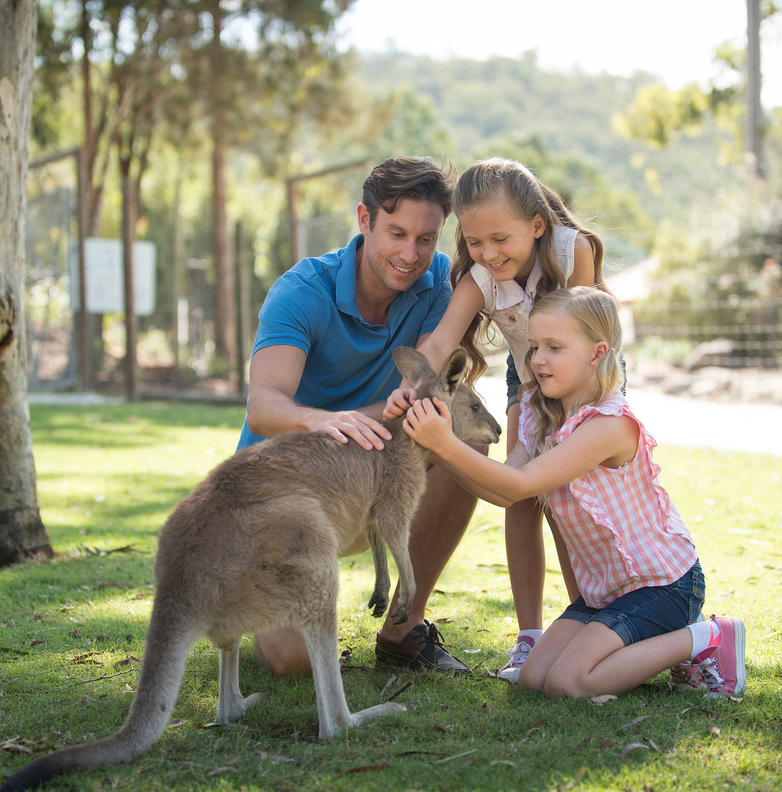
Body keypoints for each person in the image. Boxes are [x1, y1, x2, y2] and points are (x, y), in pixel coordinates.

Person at [401, 287, 746, 698]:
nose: (538, 359)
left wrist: (445, 444)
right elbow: (505, 492)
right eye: (533, 347)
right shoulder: (537, 409)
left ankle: (708, 637)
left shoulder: (608, 425)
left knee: (570, 683)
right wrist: (441, 451)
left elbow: (521, 484)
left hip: (661, 586)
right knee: (534, 678)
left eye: (555, 347)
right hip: (605, 592)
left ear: (598, 353)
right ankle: (672, 650)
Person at [238, 155, 478, 677]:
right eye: (396, 233)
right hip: (288, 493)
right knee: (293, 664)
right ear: (364, 220)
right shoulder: (303, 290)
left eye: (426, 238)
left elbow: (423, 392)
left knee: (466, 444)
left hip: (375, 478)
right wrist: (320, 420)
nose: (410, 254)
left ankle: (403, 627)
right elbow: (264, 404)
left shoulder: (439, 282)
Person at [384, 157, 604, 681]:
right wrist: (411, 385)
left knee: (571, 496)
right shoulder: (482, 277)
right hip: (527, 379)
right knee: (521, 493)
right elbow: (440, 340)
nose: (488, 254)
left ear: (536, 226)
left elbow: (588, 335)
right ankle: (529, 638)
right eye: (475, 242)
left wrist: (568, 413)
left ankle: (587, 619)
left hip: (584, 378)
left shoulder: (575, 252)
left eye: (500, 239)